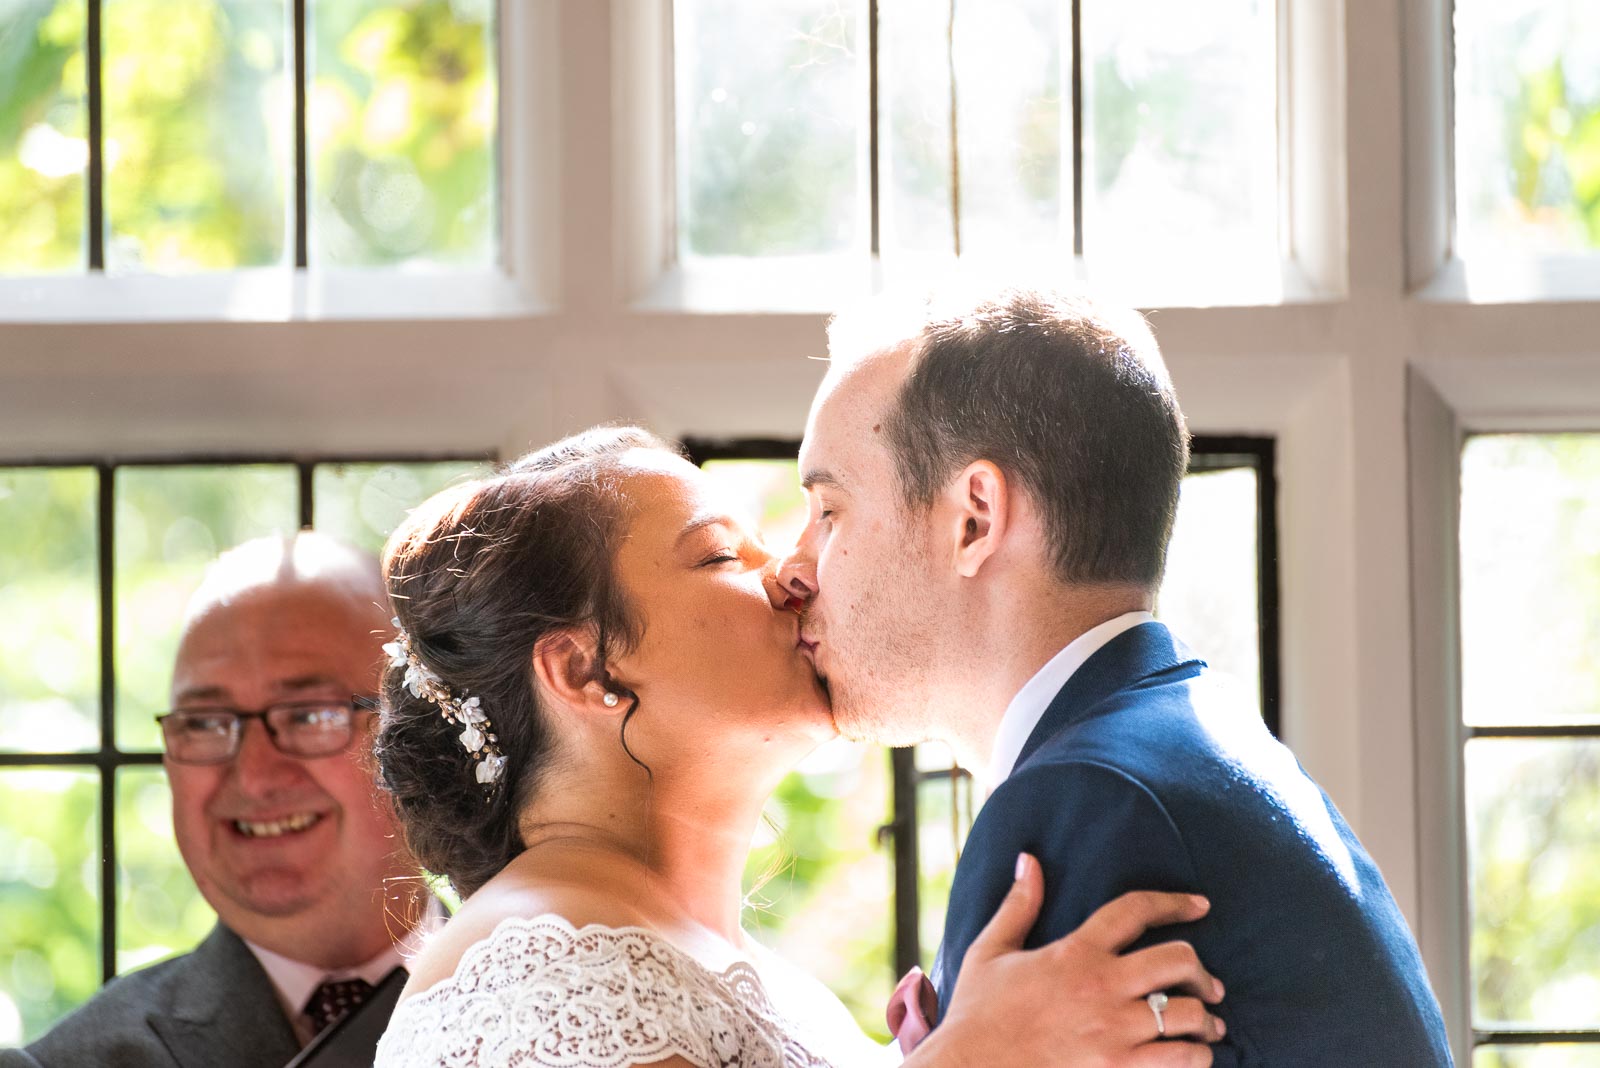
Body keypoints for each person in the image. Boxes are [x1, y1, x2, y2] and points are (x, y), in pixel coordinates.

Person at [371, 427, 1227, 1068]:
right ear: (585, 667)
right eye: (716, 556)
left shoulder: (760, 982)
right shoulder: (536, 969)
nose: (793, 573)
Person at [774, 286, 1455, 1065]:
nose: (796, 567)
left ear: (974, 518)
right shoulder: (1193, 740)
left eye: (829, 510)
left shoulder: (1088, 804)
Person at [3, 533, 437, 1068]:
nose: (253, 776)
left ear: (420, 733)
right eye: (206, 724)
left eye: (307, 714)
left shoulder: (556, 1003)